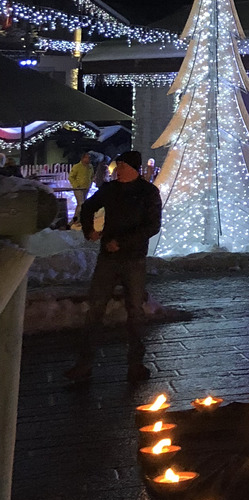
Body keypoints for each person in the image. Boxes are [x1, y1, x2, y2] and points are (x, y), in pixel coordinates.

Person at [65, 150, 161, 384]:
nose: (117, 170)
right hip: (108, 258)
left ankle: (136, 364)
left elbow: (152, 225)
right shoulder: (110, 189)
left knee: (135, 311)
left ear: (133, 168)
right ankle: (84, 363)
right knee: (95, 308)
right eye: (117, 166)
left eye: (122, 166)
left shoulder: (148, 193)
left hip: (134, 259)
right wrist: (89, 230)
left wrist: (124, 242)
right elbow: (88, 207)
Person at [68, 152, 94, 225]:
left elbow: (91, 176)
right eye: (87, 157)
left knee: (83, 204)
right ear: (82, 158)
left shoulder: (90, 167)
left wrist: (90, 183)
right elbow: (71, 177)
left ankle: (80, 218)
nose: (88, 159)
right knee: (80, 203)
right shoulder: (77, 167)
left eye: (89, 158)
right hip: (78, 188)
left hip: (86, 188)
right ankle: (75, 219)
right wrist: (76, 185)